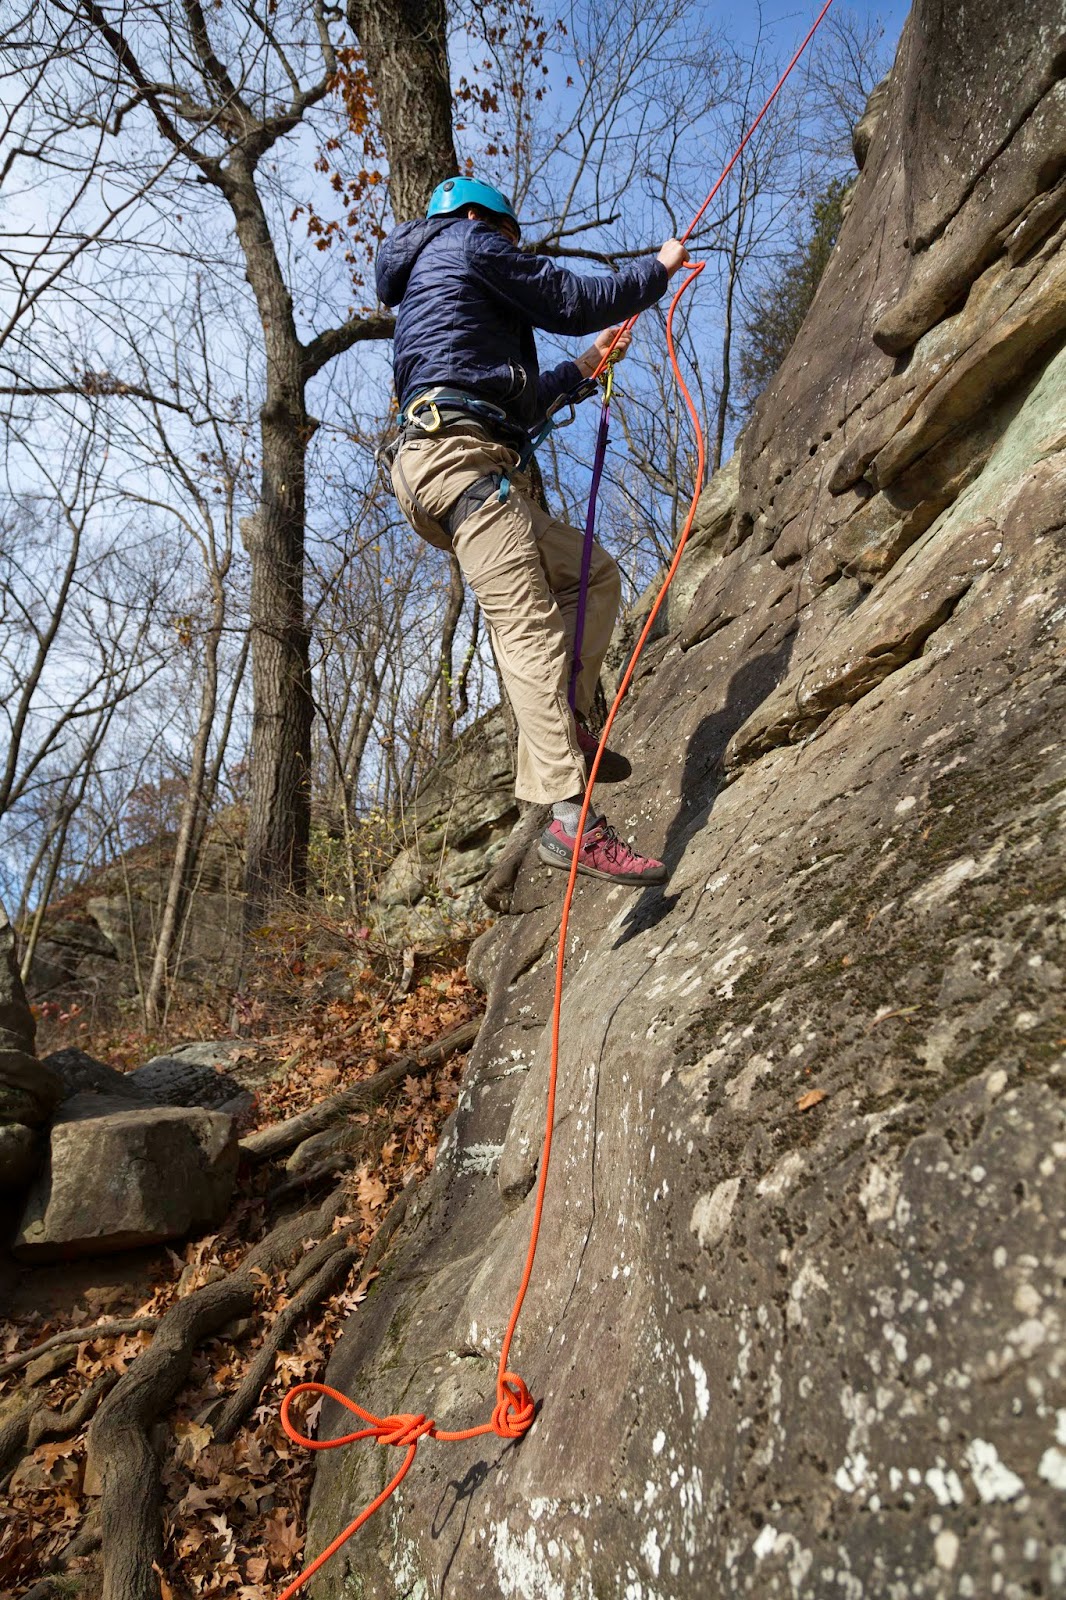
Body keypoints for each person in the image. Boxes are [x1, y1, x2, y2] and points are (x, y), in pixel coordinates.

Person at [376, 177, 689, 885]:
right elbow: (567, 298)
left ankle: (564, 726)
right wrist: (655, 271)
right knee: (528, 629)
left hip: (455, 459)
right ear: (487, 220)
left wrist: (586, 368)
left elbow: (501, 395)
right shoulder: (468, 240)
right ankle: (571, 822)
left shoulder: (437, 282)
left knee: (591, 574)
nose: (511, 250)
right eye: (510, 239)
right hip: (458, 462)